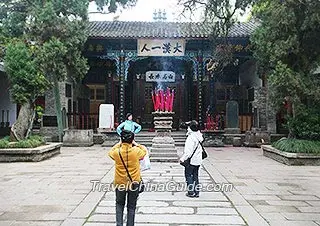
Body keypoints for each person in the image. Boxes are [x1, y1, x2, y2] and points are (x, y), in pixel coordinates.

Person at [108, 130, 147, 226]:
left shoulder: (117, 152)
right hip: (134, 182)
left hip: (120, 182)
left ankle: (119, 224)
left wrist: (119, 144)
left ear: (121, 139)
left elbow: (110, 152)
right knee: (132, 206)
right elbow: (144, 151)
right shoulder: (136, 151)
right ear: (132, 139)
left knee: (119, 204)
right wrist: (135, 143)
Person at [180, 120, 204, 198]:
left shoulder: (191, 137)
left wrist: (183, 158)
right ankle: (196, 192)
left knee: (188, 175)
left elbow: (188, 151)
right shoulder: (199, 136)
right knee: (195, 176)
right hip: (198, 159)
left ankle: (191, 192)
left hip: (191, 160)